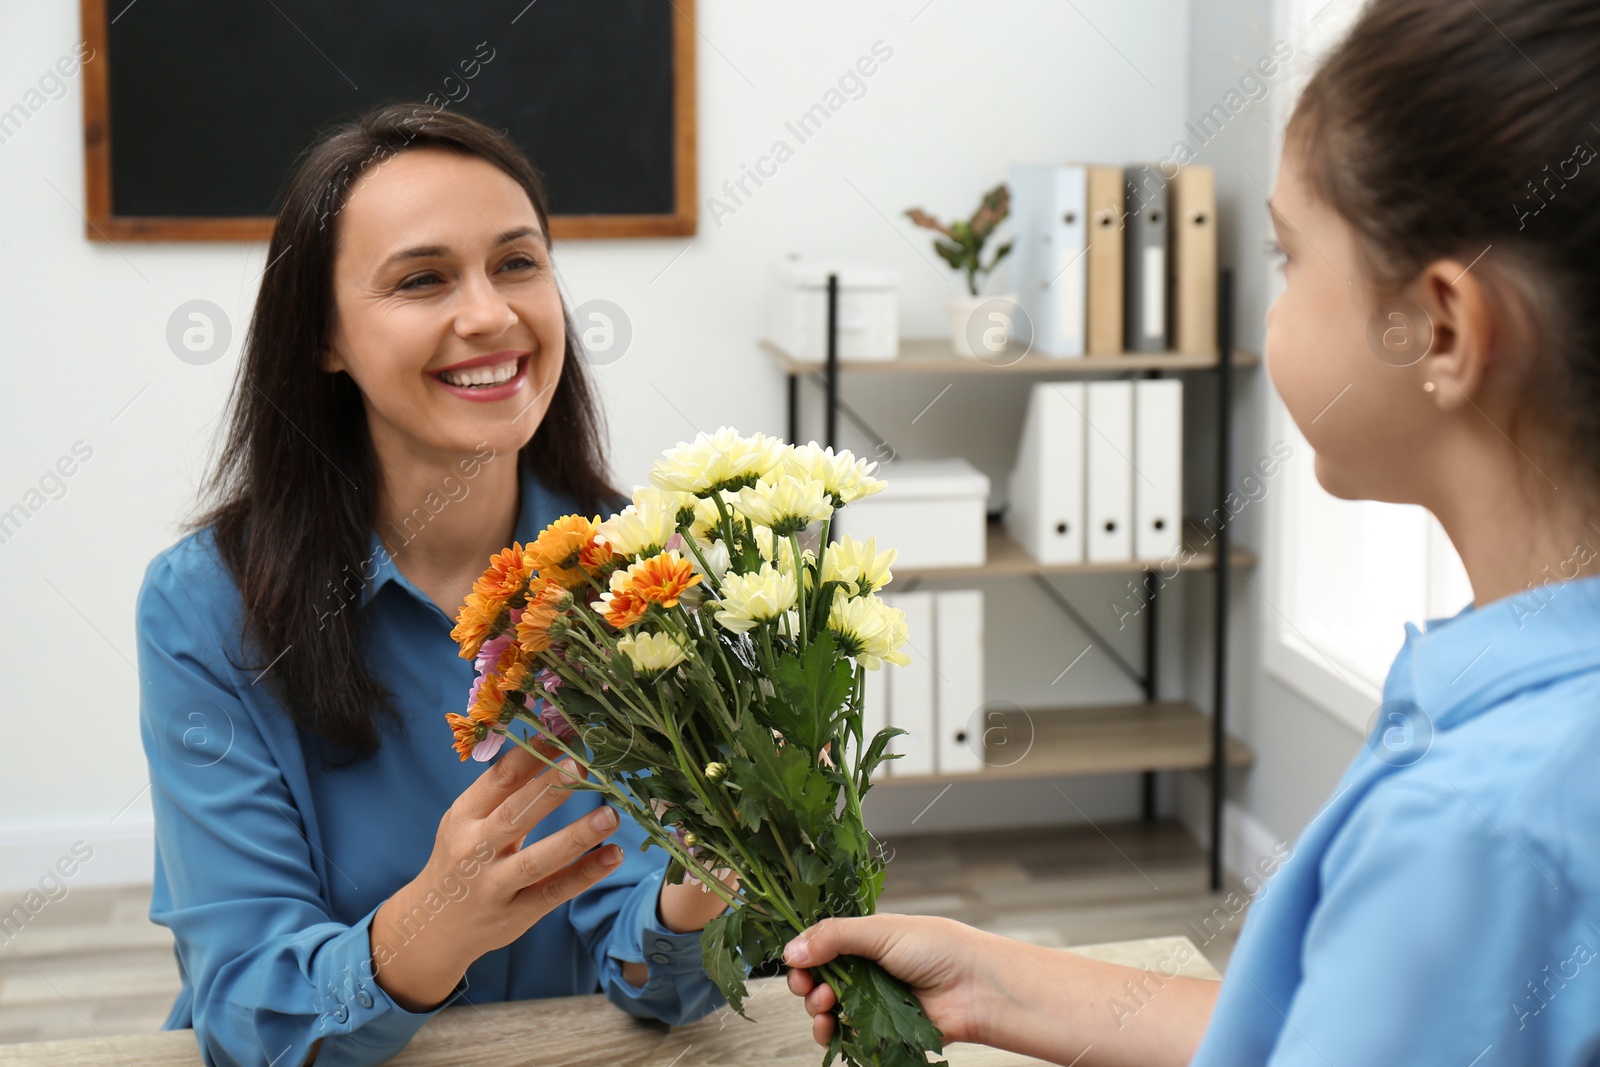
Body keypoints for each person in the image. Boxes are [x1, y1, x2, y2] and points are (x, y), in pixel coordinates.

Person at [786, 0, 1600, 1063]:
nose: (1266, 307)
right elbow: (1321, 1024)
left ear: (1438, 327)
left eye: (1288, 255)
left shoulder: (1475, 829)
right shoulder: (1527, 719)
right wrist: (990, 976)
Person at [135, 105, 725, 1067]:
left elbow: (661, 988)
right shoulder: (204, 607)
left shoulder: (639, 578)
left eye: (518, 263)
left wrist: (703, 890)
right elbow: (246, 1011)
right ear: (323, 336)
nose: (491, 314)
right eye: (422, 279)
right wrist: (435, 922)